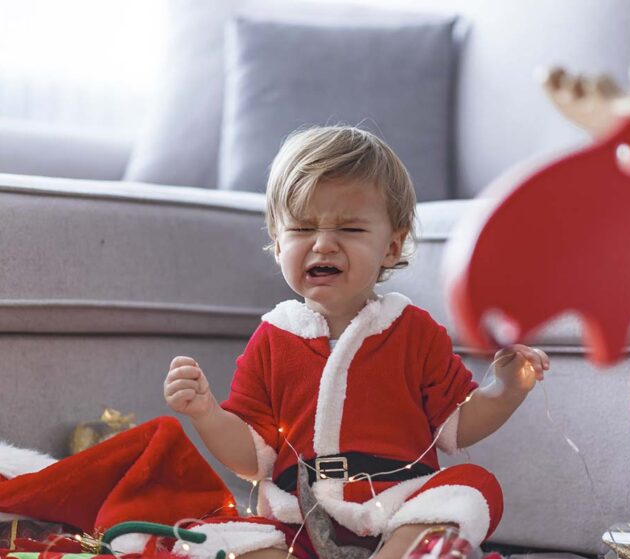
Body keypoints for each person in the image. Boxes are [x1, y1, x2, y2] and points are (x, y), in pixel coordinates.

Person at [163, 126, 549, 559]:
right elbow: (254, 459)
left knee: (474, 487)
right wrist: (206, 412)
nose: (324, 244)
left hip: (398, 512)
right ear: (276, 243)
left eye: (349, 228)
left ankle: (399, 554)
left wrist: (506, 390)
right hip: (299, 524)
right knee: (214, 536)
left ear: (392, 246)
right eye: (303, 227)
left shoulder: (413, 330)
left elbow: (458, 425)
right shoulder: (273, 338)